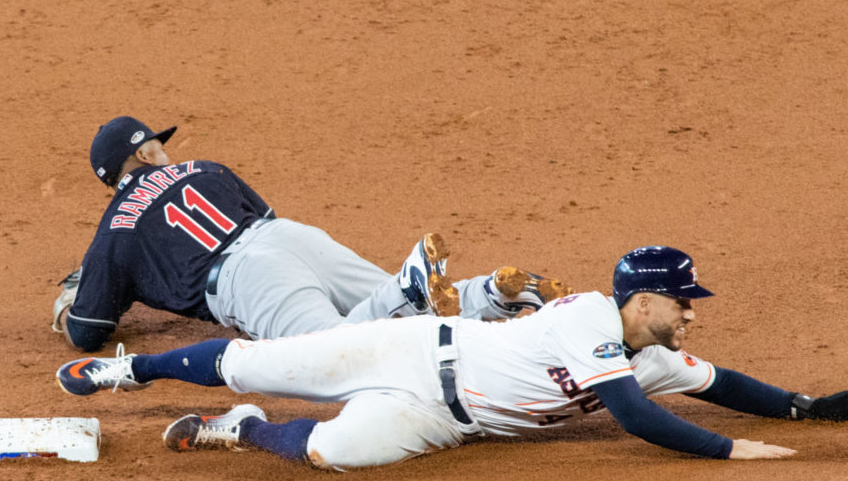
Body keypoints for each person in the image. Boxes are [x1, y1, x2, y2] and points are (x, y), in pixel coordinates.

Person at [54, 246, 848, 471]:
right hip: (413, 347)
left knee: (331, 451)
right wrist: (731, 450)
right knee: (259, 360)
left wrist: (808, 408)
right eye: (682, 301)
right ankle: (131, 371)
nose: (691, 314)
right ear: (640, 300)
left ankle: (239, 433)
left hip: (439, 420)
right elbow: (631, 417)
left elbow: (725, 384)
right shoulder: (592, 319)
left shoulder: (649, 353)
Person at [52, 116, 572, 352]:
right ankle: (495, 295)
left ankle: (405, 292)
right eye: (159, 147)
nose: (167, 151)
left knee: (338, 356)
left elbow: (88, 332)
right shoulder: (206, 169)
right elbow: (269, 222)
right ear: (144, 154)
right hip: (294, 241)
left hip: (247, 281)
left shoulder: (115, 229)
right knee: (418, 311)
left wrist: (71, 302)